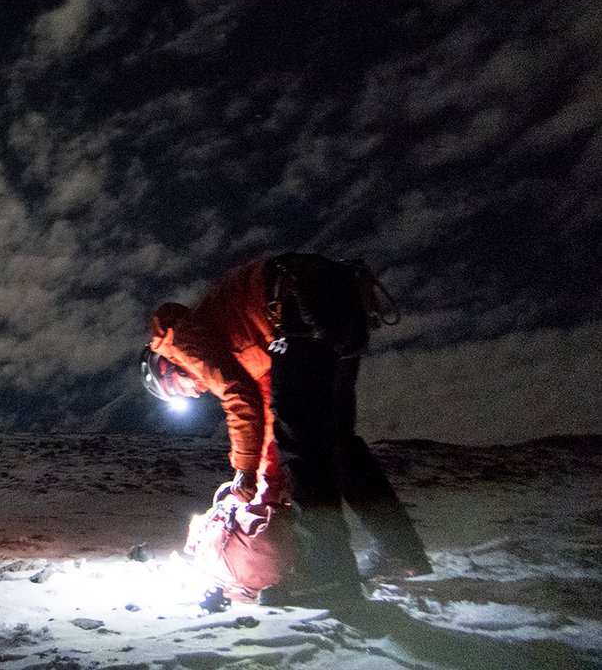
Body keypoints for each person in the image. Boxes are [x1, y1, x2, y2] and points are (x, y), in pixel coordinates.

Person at [140, 252, 431, 605]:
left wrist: (244, 472)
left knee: (305, 448)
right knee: (337, 443)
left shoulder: (180, 342)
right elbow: (268, 412)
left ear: (167, 370)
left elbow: (239, 397)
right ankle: (401, 552)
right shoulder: (238, 340)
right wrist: (267, 481)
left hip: (301, 307)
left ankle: (330, 581)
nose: (194, 392)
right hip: (337, 299)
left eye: (178, 390)